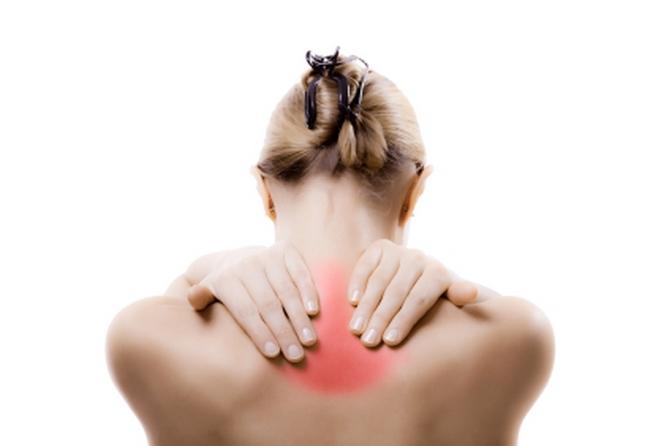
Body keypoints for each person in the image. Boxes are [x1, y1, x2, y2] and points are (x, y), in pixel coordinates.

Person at [106, 47, 554, 446]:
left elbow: (181, 299)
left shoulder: (147, 339)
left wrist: (212, 265)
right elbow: (504, 314)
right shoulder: (513, 340)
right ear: (415, 191)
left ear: (264, 191)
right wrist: (449, 281)